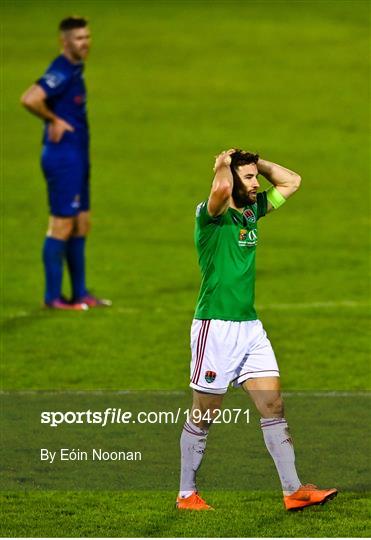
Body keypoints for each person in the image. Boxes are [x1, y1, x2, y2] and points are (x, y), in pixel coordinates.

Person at [177, 149, 337, 511]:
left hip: (250, 329)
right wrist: (221, 164)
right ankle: (186, 494)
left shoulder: (252, 210)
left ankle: (293, 491)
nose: (256, 184)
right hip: (215, 329)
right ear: (230, 180)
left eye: (255, 178)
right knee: (204, 413)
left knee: (273, 404)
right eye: (247, 178)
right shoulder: (211, 216)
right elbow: (218, 190)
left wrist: (256, 164)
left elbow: (291, 181)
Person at [21, 16, 110, 310]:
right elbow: (30, 98)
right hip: (63, 158)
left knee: (81, 223)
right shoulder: (60, 70)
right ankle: (53, 298)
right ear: (64, 41)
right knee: (61, 224)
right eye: (79, 38)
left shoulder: (73, 69)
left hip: (78, 156)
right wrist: (53, 119)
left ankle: (80, 293)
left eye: (87, 37)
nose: (85, 43)